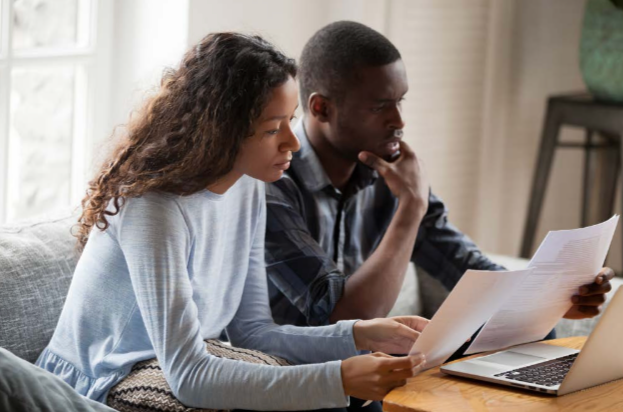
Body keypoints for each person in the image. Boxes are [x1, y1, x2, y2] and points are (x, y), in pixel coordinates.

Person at [34, 32, 429, 411]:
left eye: (290, 121)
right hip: (102, 381)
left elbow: (252, 333)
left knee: (358, 400)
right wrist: (338, 378)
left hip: (181, 364)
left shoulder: (248, 188)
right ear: (220, 132)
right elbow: (188, 374)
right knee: (326, 398)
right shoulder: (153, 209)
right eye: (273, 129)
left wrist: (363, 333)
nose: (292, 142)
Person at [265, 20, 613, 346]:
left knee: (535, 339)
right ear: (322, 109)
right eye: (380, 106)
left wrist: (552, 298)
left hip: (364, 377)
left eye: (400, 102)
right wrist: (411, 207)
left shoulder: (390, 174)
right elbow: (346, 323)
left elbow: (465, 265)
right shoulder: (272, 184)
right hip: (292, 378)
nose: (399, 121)